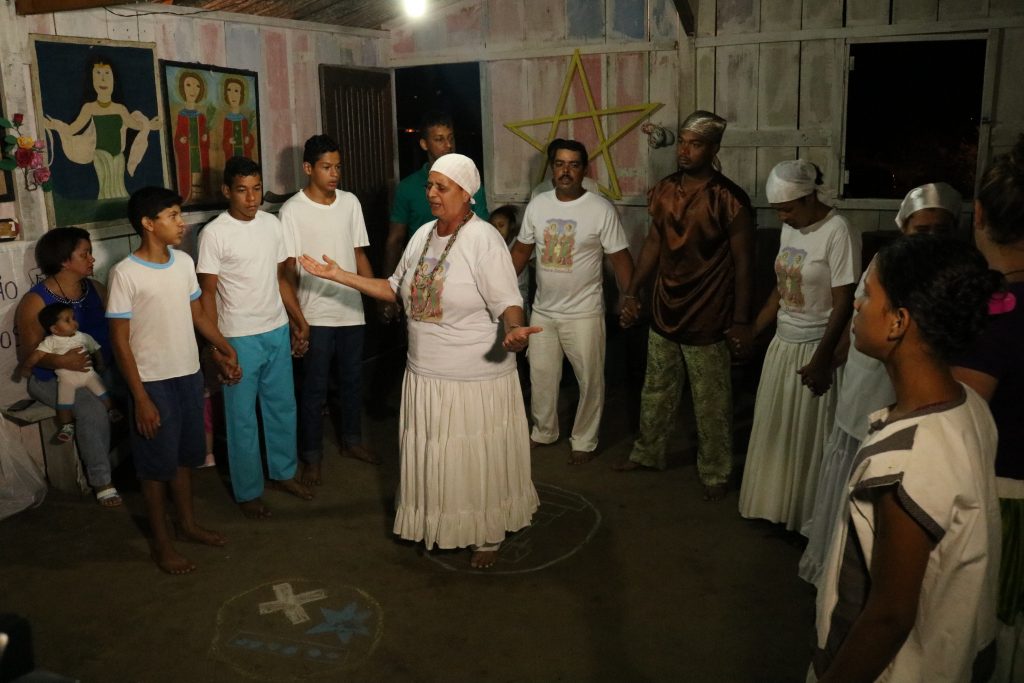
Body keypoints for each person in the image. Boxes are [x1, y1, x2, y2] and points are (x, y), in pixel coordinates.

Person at [299, 153, 540, 570]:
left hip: (473, 378)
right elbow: (394, 288)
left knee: (471, 456)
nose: (430, 193)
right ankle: (441, 522)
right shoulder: (424, 234)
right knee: (437, 455)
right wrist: (339, 275)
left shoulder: (483, 240)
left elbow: (508, 302)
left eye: (440, 187)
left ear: (466, 194)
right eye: (429, 185)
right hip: (426, 375)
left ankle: (486, 533)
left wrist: (515, 332)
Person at [811, 235, 1000, 682]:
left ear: (898, 322)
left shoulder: (904, 463)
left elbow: (888, 617)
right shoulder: (970, 406)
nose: (856, 305)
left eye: (868, 294)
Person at [798, 182, 961, 587]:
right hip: (864, 377)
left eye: (940, 231)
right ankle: (834, 565)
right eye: (921, 231)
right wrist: (828, 360)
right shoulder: (883, 263)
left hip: (905, 385)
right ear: (903, 227)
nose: (930, 240)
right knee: (854, 449)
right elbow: (854, 317)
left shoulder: (956, 273)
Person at [615, 110, 755, 501]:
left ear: (713, 148)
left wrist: (741, 321)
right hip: (665, 306)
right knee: (656, 388)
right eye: (682, 141)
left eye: (695, 143)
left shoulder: (730, 200)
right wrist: (634, 291)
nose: (685, 150)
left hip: (709, 313)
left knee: (711, 400)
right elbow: (655, 246)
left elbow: (744, 266)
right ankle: (648, 452)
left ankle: (715, 470)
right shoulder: (663, 191)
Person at [107, 186, 240, 574]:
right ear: (148, 224)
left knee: (185, 457)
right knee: (154, 468)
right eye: (172, 216)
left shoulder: (182, 263)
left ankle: (188, 525)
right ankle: (162, 545)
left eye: (180, 214)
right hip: (152, 383)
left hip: (187, 375)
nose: (182, 223)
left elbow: (198, 314)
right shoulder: (125, 274)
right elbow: (119, 341)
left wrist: (223, 347)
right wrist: (141, 398)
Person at [738, 160, 858, 531]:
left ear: (809, 198)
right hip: (783, 345)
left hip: (814, 348)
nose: (783, 217)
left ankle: (805, 519)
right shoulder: (790, 230)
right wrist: (753, 330)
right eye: (777, 211)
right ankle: (773, 508)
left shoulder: (838, 231)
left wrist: (823, 359)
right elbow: (781, 288)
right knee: (777, 433)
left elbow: (844, 302)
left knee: (808, 438)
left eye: (787, 209)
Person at [197, 156, 312, 518]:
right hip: (238, 338)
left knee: (282, 408)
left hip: (275, 329)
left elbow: (281, 278)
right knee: (242, 418)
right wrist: (218, 347)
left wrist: (298, 320)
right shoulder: (214, 234)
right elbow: (208, 294)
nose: (251, 198)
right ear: (226, 191)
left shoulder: (271, 225)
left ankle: (283, 472)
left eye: (257, 189)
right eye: (243, 191)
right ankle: (248, 492)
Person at [511, 139, 633, 465]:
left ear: (584, 170)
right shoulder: (538, 205)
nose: (566, 171)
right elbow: (521, 252)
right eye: (560, 164)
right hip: (543, 311)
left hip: (584, 312)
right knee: (541, 376)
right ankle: (544, 430)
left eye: (573, 165)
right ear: (553, 167)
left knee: (590, 379)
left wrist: (629, 297)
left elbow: (621, 259)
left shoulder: (599, 208)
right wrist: (500, 290)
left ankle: (584, 440)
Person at [953, 136, 1024, 682]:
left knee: (996, 632)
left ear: (978, 215)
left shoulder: (994, 317)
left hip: (1005, 496)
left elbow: (959, 425)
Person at [280, 134, 377, 487]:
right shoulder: (292, 210)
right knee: (314, 389)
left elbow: (360, 253)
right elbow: (287, 269)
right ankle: (311, 457)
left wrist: (378, 296)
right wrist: (296, 319)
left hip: (351, 310)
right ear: (308, 168)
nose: (334, 174)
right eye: (326, 167)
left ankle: (352, 441)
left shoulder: (350, 203)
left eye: (337, 167)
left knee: (352, 382)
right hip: (314, 314)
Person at [15, 227, 122, 506]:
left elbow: (116, 332)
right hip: (51, 378)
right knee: (91, 407)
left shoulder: (95, 290)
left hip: (97, 371)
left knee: (143, 386)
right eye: (84, 254)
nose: (92, 259)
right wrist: (62, 361)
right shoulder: (36, 301)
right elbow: (29, 355)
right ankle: (102, 481)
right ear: (64, 260)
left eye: (90, 253)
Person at [382, 110, 489, 319]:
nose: (448, 145)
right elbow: (395, 240)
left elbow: (485, 231)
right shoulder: (408, 188)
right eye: (439, 139)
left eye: (450, 139)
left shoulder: (469, 183)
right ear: (424, 144)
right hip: (421, 275)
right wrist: (388, 295)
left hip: (462, 275)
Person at [43, 53, 161, 200]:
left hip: (118, 157)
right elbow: (72, 129)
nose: (103, 79)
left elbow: (135, 125)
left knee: (120, 190)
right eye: (98, 74)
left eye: (107, 73)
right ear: (92, 80)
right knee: (106, 190)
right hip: (100, 156)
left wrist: (150, 125)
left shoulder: (120, 109)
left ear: (114, 79)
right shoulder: (89, 108)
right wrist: (53, 124)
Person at [18, 303, 120, 443]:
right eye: (67, 320)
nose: (74, 322)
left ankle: (112, 411)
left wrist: (100, 363)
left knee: (103, 393)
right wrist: (26, 367)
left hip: (89, 375)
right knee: (64, 403)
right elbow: (37, 355)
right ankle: (67, 427)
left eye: (73, 318)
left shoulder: (83, 336)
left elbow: (95, 349)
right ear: (54, 329)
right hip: (67, 381)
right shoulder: (50, 342)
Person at [173, 71, 210, 203]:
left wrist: (205, 138)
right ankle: (189, 196)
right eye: (188, 85)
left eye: (197, 86)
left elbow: (206, 138)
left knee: (199, 176)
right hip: (188, 154)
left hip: (199, 153)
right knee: (189, 175)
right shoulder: (181, 115)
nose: (193, 90)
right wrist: (181, 140)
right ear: (183, 89)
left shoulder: (201, 116)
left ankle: (200, 196)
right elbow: (177, 138)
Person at [221, 77, 255, 162]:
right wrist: (229, 141)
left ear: (241, 95)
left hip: (244, 155)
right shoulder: (227, 120)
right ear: (226, 95)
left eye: (236, 91)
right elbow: (225, 140)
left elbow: (250, 139)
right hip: (231, 156)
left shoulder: (244, 120)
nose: (233, 95)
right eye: (229, 90)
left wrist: (248, 140)